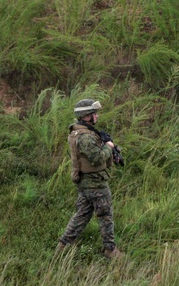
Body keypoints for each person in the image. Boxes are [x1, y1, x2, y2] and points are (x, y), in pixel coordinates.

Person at [56, 99, 121, 258]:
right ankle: (110, 250)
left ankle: (63, 246)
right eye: (94, 114)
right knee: (105, 216)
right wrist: (108, 146)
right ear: (86, 116)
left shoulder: (81, 132)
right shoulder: (85, 136)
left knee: (82, 215)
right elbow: (97, 158)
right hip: (95, 184)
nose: (97, 117)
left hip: (86, 182)